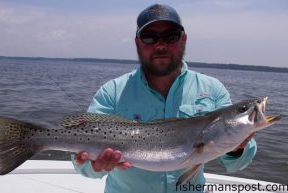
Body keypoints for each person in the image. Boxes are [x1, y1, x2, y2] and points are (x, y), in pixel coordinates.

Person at [71, 4, 257, 193]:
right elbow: (82, 165)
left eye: (171, 36)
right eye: (150, 37)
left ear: (183, 40)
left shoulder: (213, 89)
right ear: (137, 43)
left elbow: (235, 165)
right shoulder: (111, 92)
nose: (160, 45)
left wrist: (237, 148)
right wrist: (93, 166)